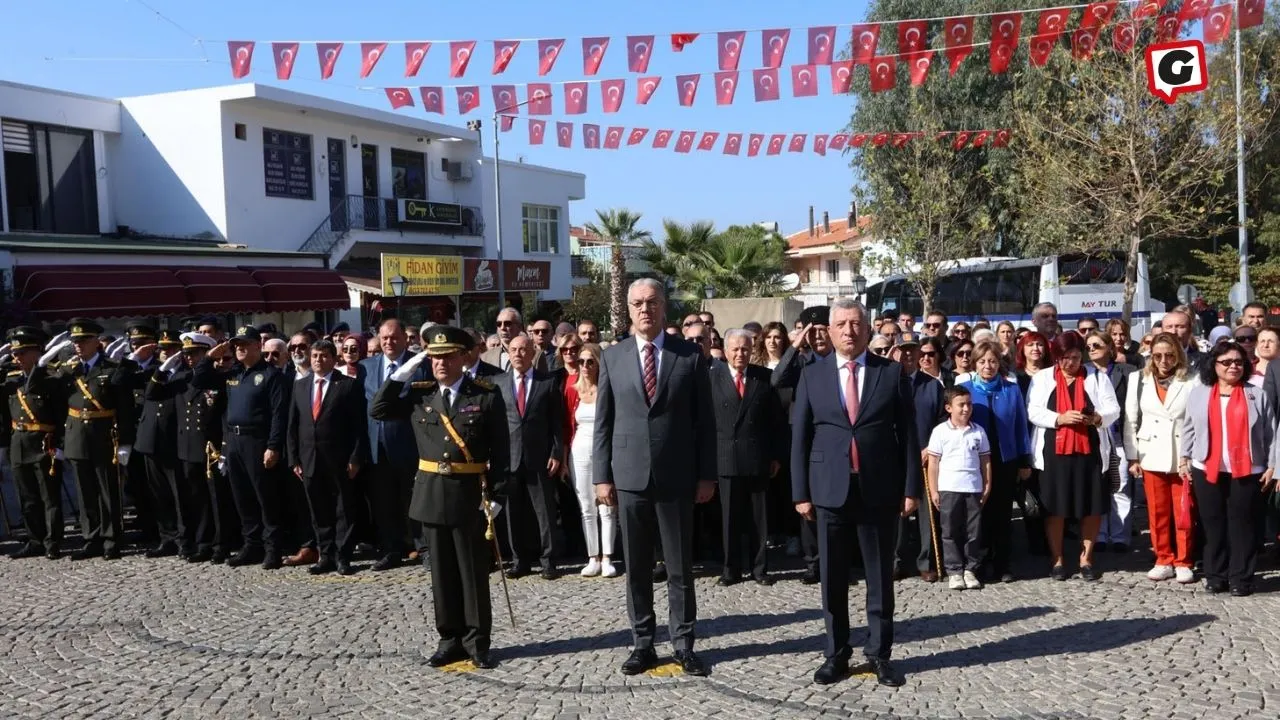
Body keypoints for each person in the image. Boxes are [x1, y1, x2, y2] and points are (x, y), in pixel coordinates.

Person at [791, 298, 919, 688]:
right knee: (832, 579)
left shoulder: (891, 373)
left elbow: (909, 437)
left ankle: (880, 654)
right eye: (842, 324)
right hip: (829, 491)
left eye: (856, 323)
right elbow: (800, 437)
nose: (849, 330)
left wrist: (911, 488)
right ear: (828, 331)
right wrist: (800, 492)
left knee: (880, 578)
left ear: (868, 330)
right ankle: (837, 654)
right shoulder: (812, 375)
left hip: (878, 491)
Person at [592, 278, 716, 678]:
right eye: (637, 303)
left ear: (664, 307)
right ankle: (642, 643)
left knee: (679, 568)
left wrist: (706, 475)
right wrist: (601, 477)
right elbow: (604, 424)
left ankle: (683, 643)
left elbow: (705, 424)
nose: (645, 309)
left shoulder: (689, 356)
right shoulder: (614, 357)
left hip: (677, 476)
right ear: (628, 309)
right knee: (639, 567)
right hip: (628, 477)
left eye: (652, 302)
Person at [372, 325, 510, 669]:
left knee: (472, 573)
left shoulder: (484, 395)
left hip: (469, 496)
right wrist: (406, 367)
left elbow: (503, 452)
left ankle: (477, 641)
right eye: (434, 358)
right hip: (431, 494)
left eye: (447, 356)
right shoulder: (419, 394)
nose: (440, 364)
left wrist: (497, 496)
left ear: (463, 357)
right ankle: (449, 639)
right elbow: (379, 408)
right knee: (442, 575)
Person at [1179, 341, 1277, 596]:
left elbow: (1271, 433)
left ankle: (1241, 578)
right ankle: (1215, 575)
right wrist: (1184, 458)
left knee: (1242, 524)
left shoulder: (1256, 393)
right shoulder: (1200, 393)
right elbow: (1189, 427)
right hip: (1206, 466)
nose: (1233, 366)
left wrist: (1272, 466)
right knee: (1212, 523)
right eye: (1226, 362)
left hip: (1248, 469)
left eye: (1238, 362)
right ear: (1215, 364)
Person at [193, 325, 289, 569]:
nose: (239, 349)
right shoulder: (233, 373)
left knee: (265, 497)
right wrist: (211, 355)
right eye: (236, 345)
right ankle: (251, 545)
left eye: (245, 344)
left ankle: (273, 548)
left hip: (258, 441)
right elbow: (200, 378)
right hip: (234, 441)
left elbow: (279, 415)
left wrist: (273, 446)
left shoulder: (271, 375)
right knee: (242, 496)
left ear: (258, 345)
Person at [1027, 332, 1121, 581]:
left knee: (1091, 506)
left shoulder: (1097, 378)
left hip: (1089, 451)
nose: (1071, 363)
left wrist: (1097, 418)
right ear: (1057, 358)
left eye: (1076, 357)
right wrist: (1059, 418)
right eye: (1065, 358)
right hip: (1054, 452)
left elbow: (1113, 409)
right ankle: (1057, 558)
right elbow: (1033, 411)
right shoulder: (1043, 378)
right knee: (1055, 507)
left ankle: (1086, 558)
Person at [43, 319, 135, 561]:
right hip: (76, 436)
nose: (78, 345)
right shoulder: (68, 370)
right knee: (84, 492)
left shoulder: (113, 368)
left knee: (107, 491)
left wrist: (125, 442)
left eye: (83, 340)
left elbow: (125, 408)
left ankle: (111, 539)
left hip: (104, 436)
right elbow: (57, 404)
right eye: (75, 341)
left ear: (96, 341)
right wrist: (62, 441)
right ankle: (91, 538)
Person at [286, 339, 367, 575]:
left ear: (333, 359)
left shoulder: (347, 386)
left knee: (343, 509)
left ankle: (343, 556)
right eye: (314, 356)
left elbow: (358, 426)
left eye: (323, 356)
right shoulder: (301, 386)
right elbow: (292, 424)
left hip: (339, 458)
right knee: (318, 510)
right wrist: (294, 458)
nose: (318, 360)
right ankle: (326, 555)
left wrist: (355, 457)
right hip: (309, 458)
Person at [712, 329, 785, 586]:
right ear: (726, 349)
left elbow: (776, 421)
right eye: (735, 349)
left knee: (758, 518)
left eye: (745, 349)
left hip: (757, 457)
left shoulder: (764, 377)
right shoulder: (713, 377)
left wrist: (776, 455)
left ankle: (759, 568)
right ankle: (730, 569)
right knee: (730, 519)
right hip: (726, 457)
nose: (740, 354)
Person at [1122, 333, 1196, 583]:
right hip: (1150, 451)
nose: (1164, 360)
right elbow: (1131, 421)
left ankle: (1184, 560)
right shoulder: (1138, 379)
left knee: (1183, 510)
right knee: (1157, 510)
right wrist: (1132, 457)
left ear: (1178, 354)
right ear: (1151, 356)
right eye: (1158, 355)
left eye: (1170, 355)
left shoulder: (1192, 380)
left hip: (1181, 453)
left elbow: (1196, 419)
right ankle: (1163, 557)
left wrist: (1192, 454)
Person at [772, 305, 835, 584]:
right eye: (812, 332)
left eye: (823, 330)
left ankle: (838, 559)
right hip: (807, 440)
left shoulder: (840, 360)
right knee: (807, 501)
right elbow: (777, 379)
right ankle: (814, 562)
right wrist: (795, 345)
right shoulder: (801, 361)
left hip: (834, 438)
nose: (818, 336)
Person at [360, 319, 429, 571]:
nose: (389, 342)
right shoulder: (366, 368)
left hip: (409, 445)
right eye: (384, 338)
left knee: (415, 498)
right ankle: (392, 550)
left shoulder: (420, 365)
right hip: (376, 447)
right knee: (384, 502)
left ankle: (424, 548)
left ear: (404, 338)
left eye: (394, 337)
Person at [960, 341, 1032, 583]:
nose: (987, 366)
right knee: (977, 514)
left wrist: (1024, 459)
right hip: (974, 461)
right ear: (975, 364)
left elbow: (1021, 426)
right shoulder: (967, 390)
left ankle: (1003, 563)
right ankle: (978, 562)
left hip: (1005, 459)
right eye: (982, 361)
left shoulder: (1011, 390)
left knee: (1002, 513)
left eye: (992, 361)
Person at [499, 334, 563, 580]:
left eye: (523, 349)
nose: (518, 354)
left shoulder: (547, 383)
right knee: (513, 512)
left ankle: (548, 561)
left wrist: (556, 452)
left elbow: (556, 423)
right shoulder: (498, 382)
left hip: (540, 456)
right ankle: (519, 560)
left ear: (532, 352)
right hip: (510, 458)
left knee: (544, 512)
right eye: (513, 349)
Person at [1, 326, 65, 560]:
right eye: (15, 353)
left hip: (43, 442)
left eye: (22, 352)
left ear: (36, 353)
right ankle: (35, 540)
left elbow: (61, 414)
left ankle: (53, 541)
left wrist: (60, 444)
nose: (16, 357)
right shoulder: (10, 380)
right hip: (19, 442)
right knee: (26, 497)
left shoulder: (51, 379)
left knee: (49, 497)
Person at [926, 386, 992, 591]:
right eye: (961, 404)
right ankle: (954, 570)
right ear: (948, 407)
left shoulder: (978, 431)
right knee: (950, 530)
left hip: (973, 487)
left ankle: (970, 569)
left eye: (969, 404)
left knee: (973, 531)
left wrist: (987, 484)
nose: (966, 409)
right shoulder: (940, 432)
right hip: (949, 488)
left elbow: (985, 461)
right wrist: (934, 489)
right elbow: (934, 463)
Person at [134, 330, 190, 558]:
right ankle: (166, 537)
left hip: (173, 442)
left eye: (171, 349)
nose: (165, 353)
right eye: (162, 349)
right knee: (159, 494)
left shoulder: (186, 374)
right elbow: (125, 382)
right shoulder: (151, 372)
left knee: (179, 495)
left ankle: (184, 539)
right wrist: (134, 358)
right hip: (150, 441)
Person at [1084, 331, 1138, 552]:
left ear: (1109, 347)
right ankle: (1100, 535)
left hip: (1119, 437)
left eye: (1096, 344)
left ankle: (1120, 536)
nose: (1092, 349)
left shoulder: (1127, 371)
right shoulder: (1083, 373)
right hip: (1094, 439)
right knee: (1098, 488)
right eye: (1087, 346)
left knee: (1120, 486)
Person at [567, 342, 617, 577]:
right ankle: (593, 556)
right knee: (586, 506)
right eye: (581, 361)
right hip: (579, 450)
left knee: (606, 505)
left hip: (604, 449)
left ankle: (608, 556)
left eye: (590, 361)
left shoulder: (608, 389)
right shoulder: (572, 389)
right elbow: (567, 424)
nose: (585, 366)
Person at [483, 308, 549, 372]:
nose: (502, 328)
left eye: (507, 324)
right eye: (499, 324)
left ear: (519, 326)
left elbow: (543, 381)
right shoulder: (486, 357)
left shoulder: (536, 355)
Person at [1015, 331, 1050, 398]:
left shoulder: (1052, 373)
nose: (1035, 348)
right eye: (1030, 345)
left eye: (1040, 345)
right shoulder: (1015, 375)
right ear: (1022, 349)